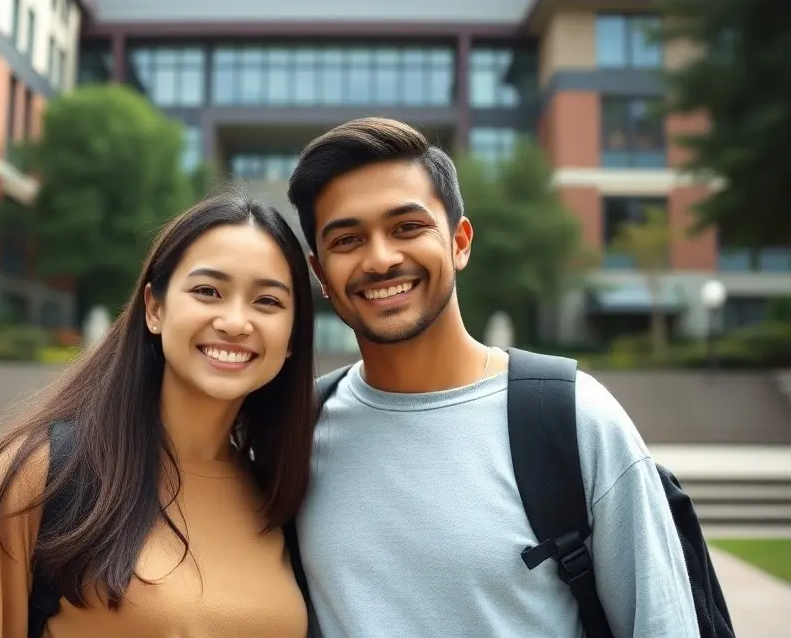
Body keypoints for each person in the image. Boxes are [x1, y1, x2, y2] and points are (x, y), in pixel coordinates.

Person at [286, 117, 699, 638]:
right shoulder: (299, 433)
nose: (381, 258)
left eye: (408, 227)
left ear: (459, 242)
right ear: (320, 274)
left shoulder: (573, 418)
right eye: (347, 239)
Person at [0, 192, 317, 637]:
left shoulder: (280, 493)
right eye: (208, 291)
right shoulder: (47, 471)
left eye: (267, 301)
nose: (234, 321)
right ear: (155, 308)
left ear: (290, 337)